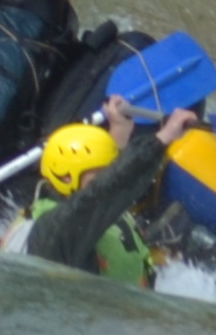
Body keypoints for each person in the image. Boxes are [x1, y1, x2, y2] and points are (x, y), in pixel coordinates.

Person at [21, 99, 197, 287]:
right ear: (66, 177)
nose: (105, 176)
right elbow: (107, 188)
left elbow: (110, 176)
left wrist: (120, 130)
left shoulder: (78, 198)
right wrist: (163, 137)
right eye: (99, 175)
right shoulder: (56, 228)